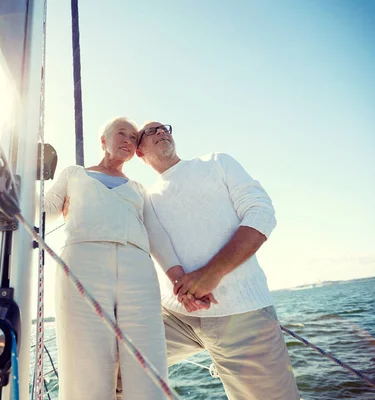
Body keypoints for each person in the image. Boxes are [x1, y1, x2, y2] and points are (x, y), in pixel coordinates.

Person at [135, 121, 301, 399]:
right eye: (150, 131)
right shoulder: (146, 197)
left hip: (242, 314)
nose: (162, 132)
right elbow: (158, 246)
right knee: (114, 368)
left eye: (165, 128)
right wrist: (183, 287)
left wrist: (213, 272)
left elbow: (261, 213)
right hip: (177, 317)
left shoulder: (216, 162)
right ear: (139, 151)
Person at [44, 117, 183, 400]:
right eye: (122, 134)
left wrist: (181, 281)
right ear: (103, 141)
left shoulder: (138, 189)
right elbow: (46, 209)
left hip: (138, 271)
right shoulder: (74, 174)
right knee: (86, 367)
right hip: (83, 265)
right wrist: (12, 190)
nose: (128, 141)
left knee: (148, 361)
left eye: (133, 138)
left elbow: (157, 237)